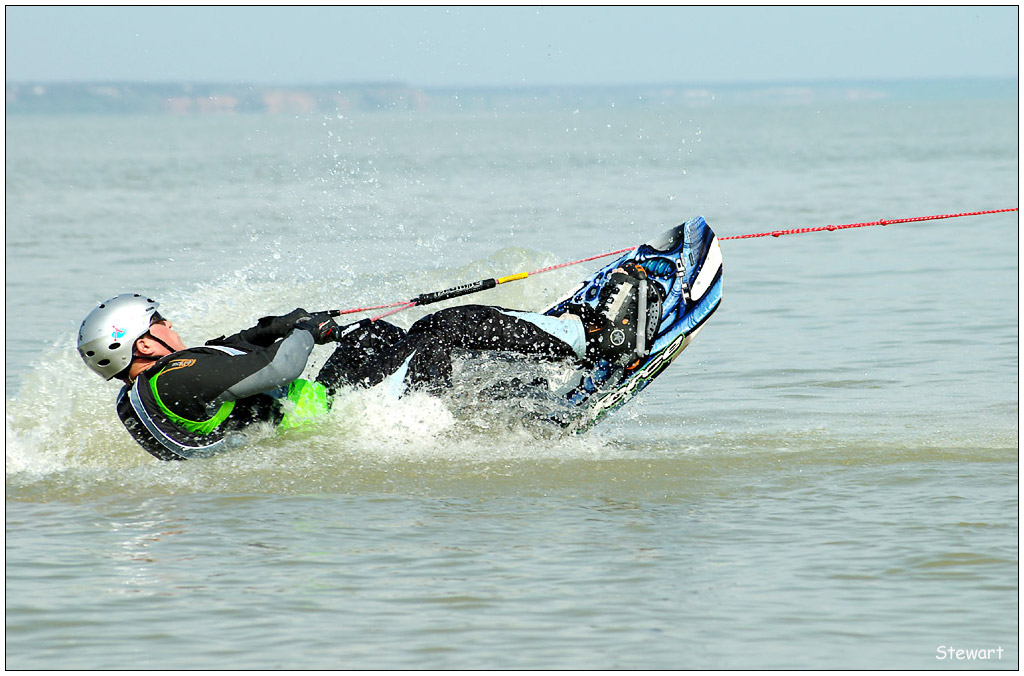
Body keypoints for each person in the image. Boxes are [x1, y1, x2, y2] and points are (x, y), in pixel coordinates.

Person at [77, 263, 660, 460]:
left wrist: (285, 323)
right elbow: (279, 371)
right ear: (144, 344)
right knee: (442, 329)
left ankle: (522, 394)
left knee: (376, 334)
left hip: (313, 418)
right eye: (160, 322)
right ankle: (600, 338)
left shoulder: (146, 393)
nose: (170, 325)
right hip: (327, 419)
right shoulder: (171, 377)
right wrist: (304, 333)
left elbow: (239, 348)